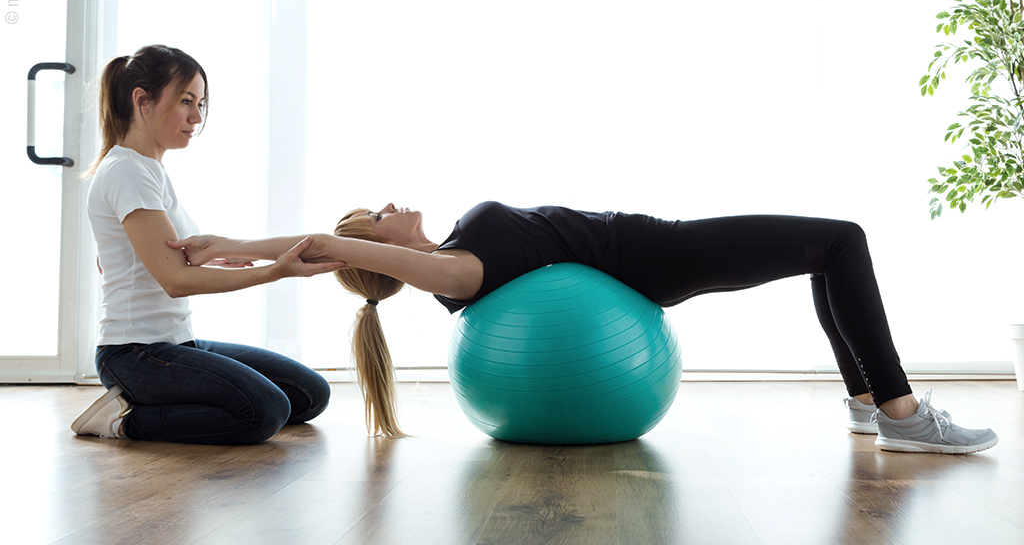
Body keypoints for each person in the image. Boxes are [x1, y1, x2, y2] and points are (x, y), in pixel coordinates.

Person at [169, 201, 1000, 455]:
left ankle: (867, 404)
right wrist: (242, 249)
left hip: (650, 251)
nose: (389, 205)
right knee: (841, 242)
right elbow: (327, 246)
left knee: (826, 253)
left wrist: (240, 247)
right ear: (378, 251)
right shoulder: (457, 276)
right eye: (376, 218)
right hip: (655, 260)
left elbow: (332, 241)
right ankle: (900, 414)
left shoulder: (454, 254)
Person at [71, 45, 344, 445]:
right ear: (142, 101)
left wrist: (214, 253)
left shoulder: (148, 170)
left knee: (308, 395)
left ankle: (154, 405)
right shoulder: (128, 171)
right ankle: (121, 421)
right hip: (133, 353)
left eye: (200, 103)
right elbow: (174, 280)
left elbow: (119, 260)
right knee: (265, 411)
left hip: (176, 341)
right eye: (186, 101)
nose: (196, 117)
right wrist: (275, 271)